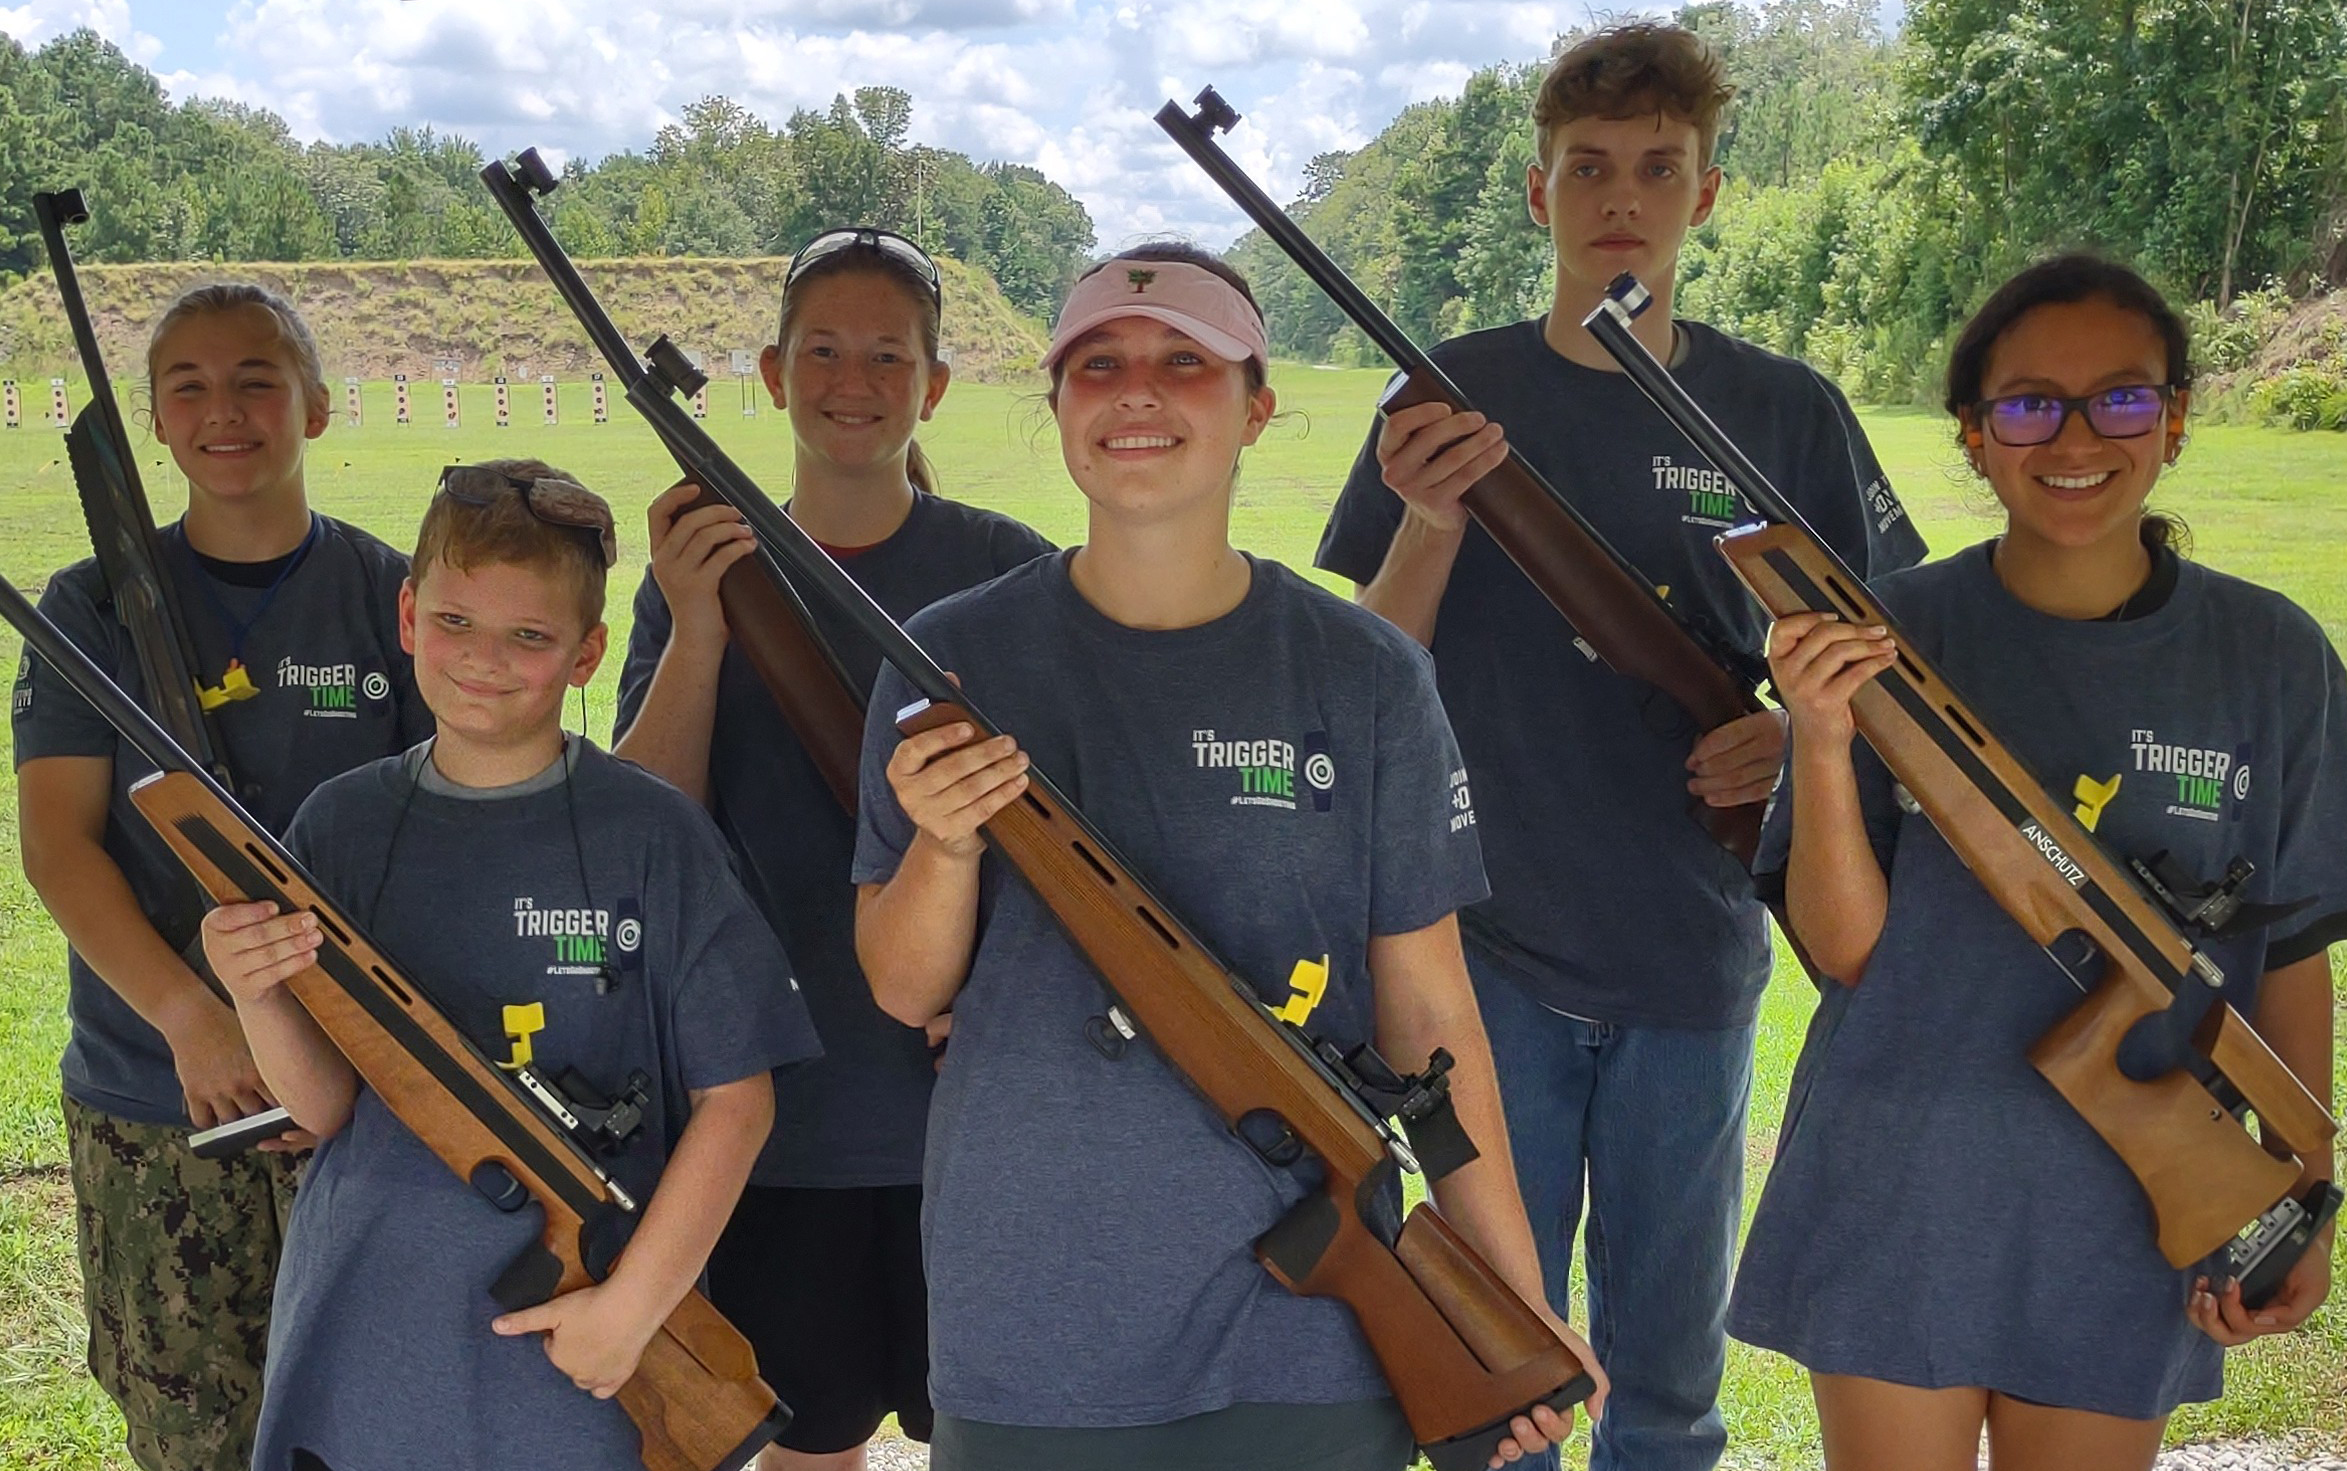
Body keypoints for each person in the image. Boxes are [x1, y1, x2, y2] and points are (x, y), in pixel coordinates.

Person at [853, 242, 1605, 1471]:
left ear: (1256, 407)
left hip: (1304, 1333)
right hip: (1033, 1317)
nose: (1137, 391)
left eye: (1184, 364)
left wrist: (1515, 1298)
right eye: (1098, 365)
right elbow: (900, 984)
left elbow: (1427, 1004)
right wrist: (941, 848)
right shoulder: (949, 659)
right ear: (1057, 408)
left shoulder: (1366, 676)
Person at [1314, 22, 1927, 1471]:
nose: (1619, 197)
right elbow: (1364, 678)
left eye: (1657, 167)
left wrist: (1790, 735)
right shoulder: (1442, 396)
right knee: (1497, 1360)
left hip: (1688, 954)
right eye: (1585, 166)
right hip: (1479, 960)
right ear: (1536, 195)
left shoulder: (1783, 409)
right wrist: (1429, 519)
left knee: (1663, 1379)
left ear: (1704, 193)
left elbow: (1896, 665)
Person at [1731, 253, 2345, 1471]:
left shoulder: (2270, 657)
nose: (2072, 437)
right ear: (1973, 435)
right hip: (1903, 1167)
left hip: (2135, 1189)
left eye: (2119, 397)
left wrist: (2301, 1196)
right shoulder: (1887, 632)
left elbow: (2291, 956)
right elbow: (1847, 949)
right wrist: (1819, 728)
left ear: (2173, 419)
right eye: (2027, 404)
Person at [196, 463, 822, 1471]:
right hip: (371, 1315)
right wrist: (252, 987)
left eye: (529, 636)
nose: (483, 659)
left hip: (581, 1329)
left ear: (587, 654)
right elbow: (320, 1107)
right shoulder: (340, 825)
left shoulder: (654, 836)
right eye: (454, 621)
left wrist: (633, 1308)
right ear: (406, 615)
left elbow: (738, 1101)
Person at [614, 226, 1052, 1471]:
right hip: (780, 1098)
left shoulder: (1003, 568)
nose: (851, 381)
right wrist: (699, 625)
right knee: (814, 1442)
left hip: (972, 1098)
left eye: (886, 353)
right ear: (770, 371)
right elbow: (655, 818)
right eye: (821, 351)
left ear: (935, 384)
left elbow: (1061, 842)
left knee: (996, 1429)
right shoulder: (699, 572)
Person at [12, 283, 429, 1471]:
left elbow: (433, 837)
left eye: (256, 377)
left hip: (364, 1101)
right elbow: (58, 847)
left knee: (374, 1423)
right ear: (151, 420)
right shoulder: (88, 605)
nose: (224, 409)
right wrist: (193, 1020)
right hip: (161, 1098)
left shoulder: (391, 597)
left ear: (319, 403)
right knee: (192, 1431)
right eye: (186, 385)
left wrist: (343, 1053)